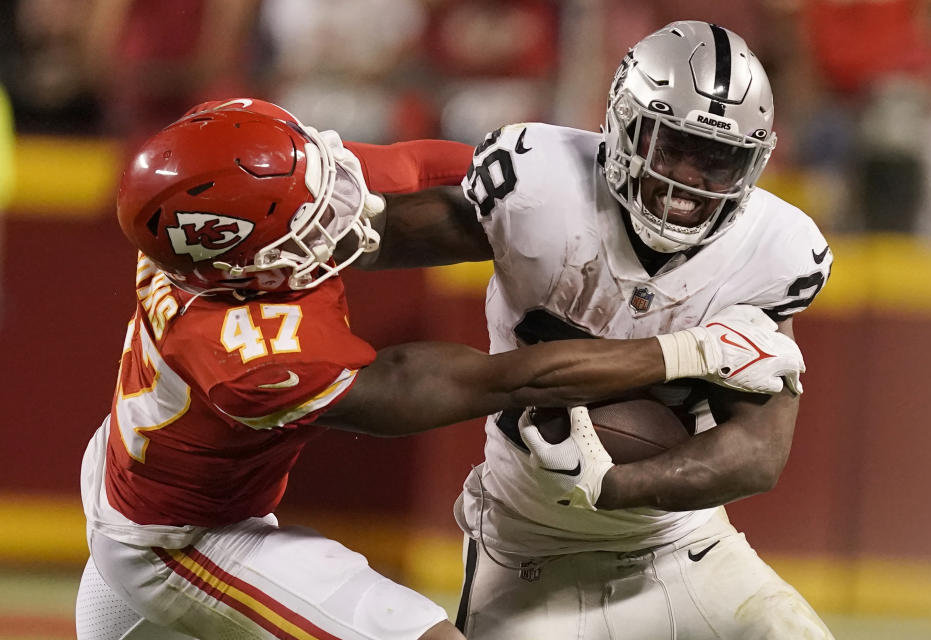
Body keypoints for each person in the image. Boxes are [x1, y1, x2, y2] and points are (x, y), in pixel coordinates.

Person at [74, 98, 805, 640]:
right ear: (250, 267)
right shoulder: (251, 357)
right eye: (311, 221)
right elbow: (495, 381)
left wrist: (577, 182)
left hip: (131, 464)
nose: (341, 208)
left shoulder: (239, 214)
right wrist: (693, 351)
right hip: (185, 535)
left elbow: (430, 167)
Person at [352, 20, 837, 639]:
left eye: (719, 160)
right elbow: (374, 238)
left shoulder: (777, 251)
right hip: (527, 549)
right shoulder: (537, 184)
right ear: (623, 125)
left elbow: (758, 454)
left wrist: (613, 484)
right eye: (675, 147)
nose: (692, 180)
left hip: (684, 545)